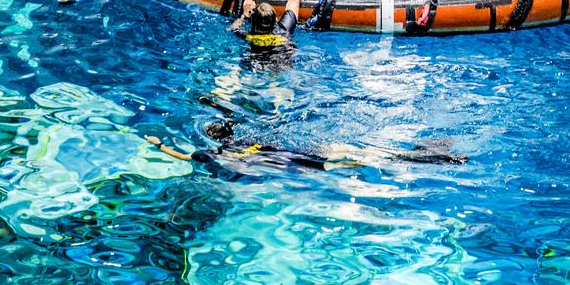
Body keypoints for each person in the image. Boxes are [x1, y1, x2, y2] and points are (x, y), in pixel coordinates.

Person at [145, 119, 466, 176]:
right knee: (377, 155)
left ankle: (438, 159)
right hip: (312, 153)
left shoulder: (216, 155)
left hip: (307, 165)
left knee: (374, 161)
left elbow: (182, 155)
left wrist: (159, 145)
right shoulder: (244, 140)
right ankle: (433, 156)